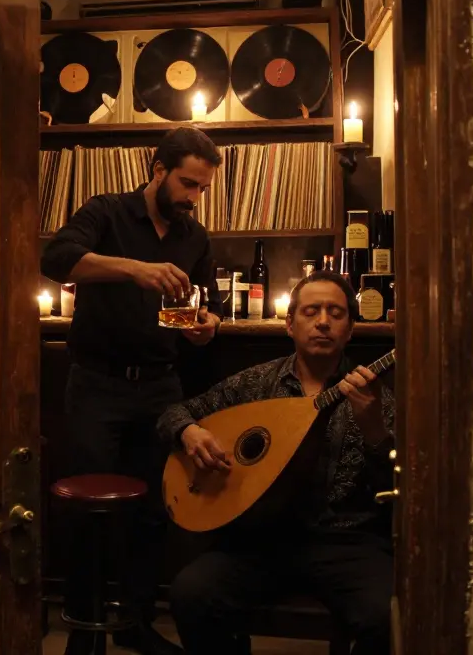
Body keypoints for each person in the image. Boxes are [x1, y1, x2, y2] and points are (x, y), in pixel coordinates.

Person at [41, 126, 225, 655]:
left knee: (153, 512)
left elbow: (198, 306)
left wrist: (202, 325)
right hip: (96, 384)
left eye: (202, 189)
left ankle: (136, 625)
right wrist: (134, 270)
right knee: (89, 514)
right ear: (157, 169)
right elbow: (55, 259)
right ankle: (85, 631)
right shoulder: (107, 211)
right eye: (187, 184)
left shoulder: (195, 237)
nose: (193, 198)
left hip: (162, 388)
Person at [156, 270, 395, 655]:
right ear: (290, 323)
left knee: (386, 616)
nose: (322, 322)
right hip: (260, 541)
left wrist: (373, 430)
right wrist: (189, 432)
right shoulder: (255, 385)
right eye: (311, 311)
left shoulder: (373, 396)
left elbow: (394, 488)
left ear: (350, 329)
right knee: (191, 594)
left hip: (345, 541)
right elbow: (174, 413)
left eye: (335, 313)